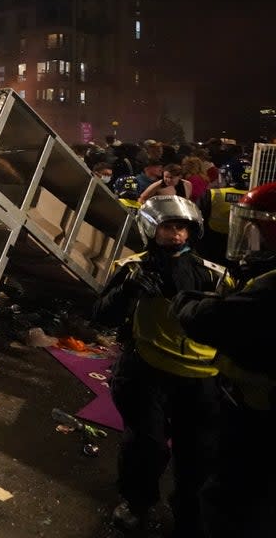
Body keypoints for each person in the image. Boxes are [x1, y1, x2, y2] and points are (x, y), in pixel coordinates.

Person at [91, 195, 225, 534]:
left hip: (199, 375)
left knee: (197, 452)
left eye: (182, 227)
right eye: (168, 226)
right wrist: (127, 289)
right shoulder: (133, 267)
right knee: (146, 446)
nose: (176, 235)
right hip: (146, 368)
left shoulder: (213, 275)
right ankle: (137, 503)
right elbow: (101, 315)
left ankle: (189, 511)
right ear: (152, 228)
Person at [173, 181, 276, 537]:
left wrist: (187, 297)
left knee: (230, 502)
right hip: (250, 406)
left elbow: (206, 319)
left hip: (257, 418)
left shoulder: (269, 290)